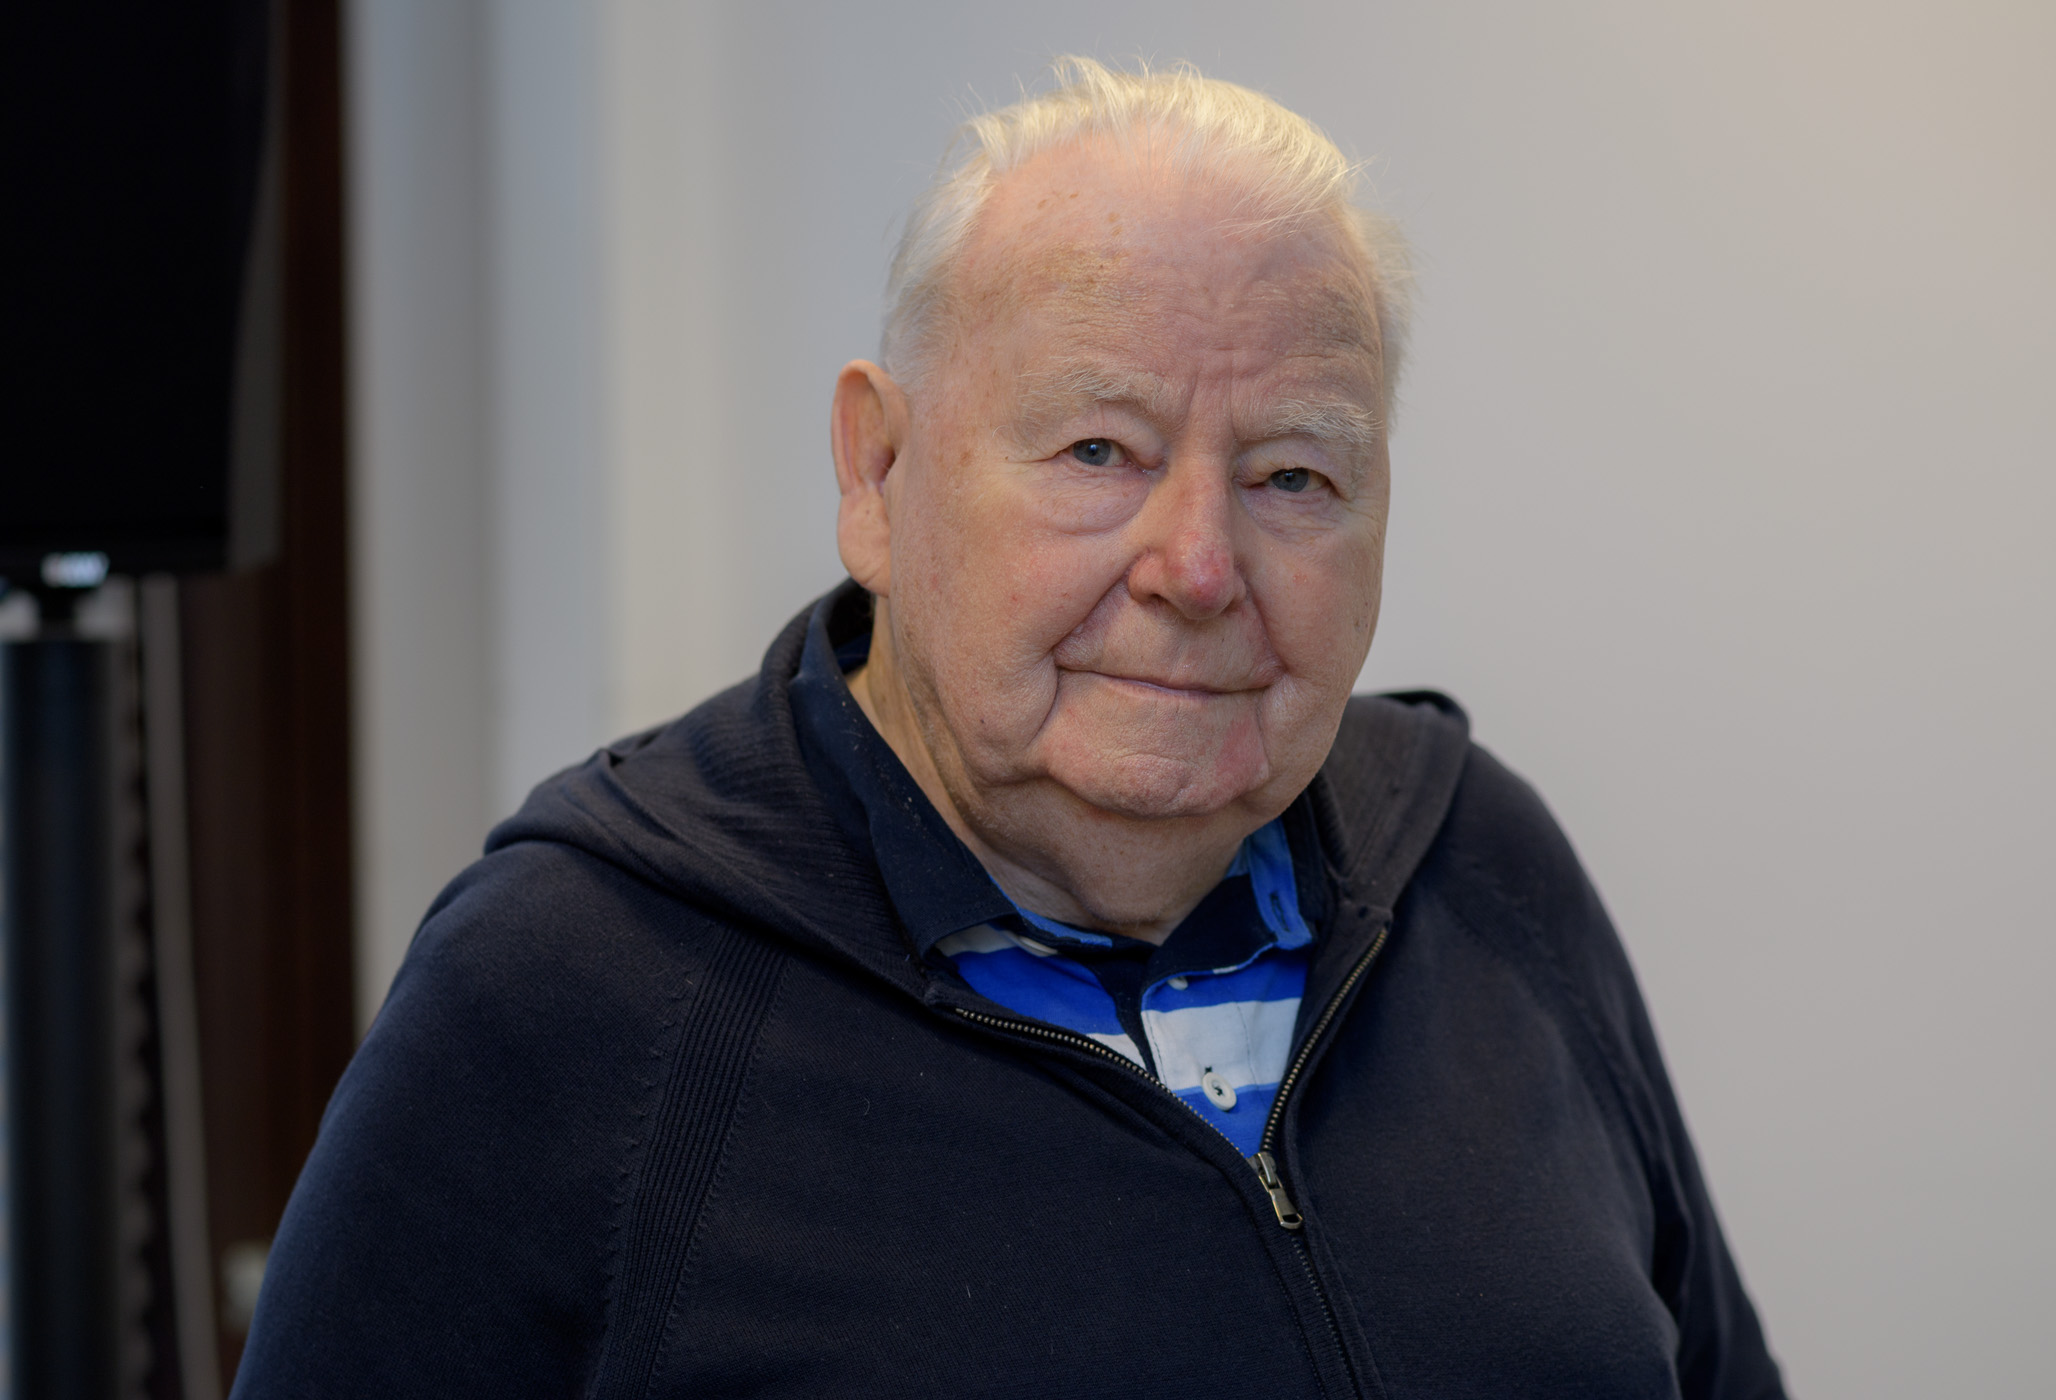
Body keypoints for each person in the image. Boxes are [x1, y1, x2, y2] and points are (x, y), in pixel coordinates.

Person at [235, 58, 1786, 1398]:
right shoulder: (572, 990)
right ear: (877, 471)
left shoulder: (1481, 867)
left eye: (1293, 477)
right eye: (1100, 450)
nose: (1197, 568)